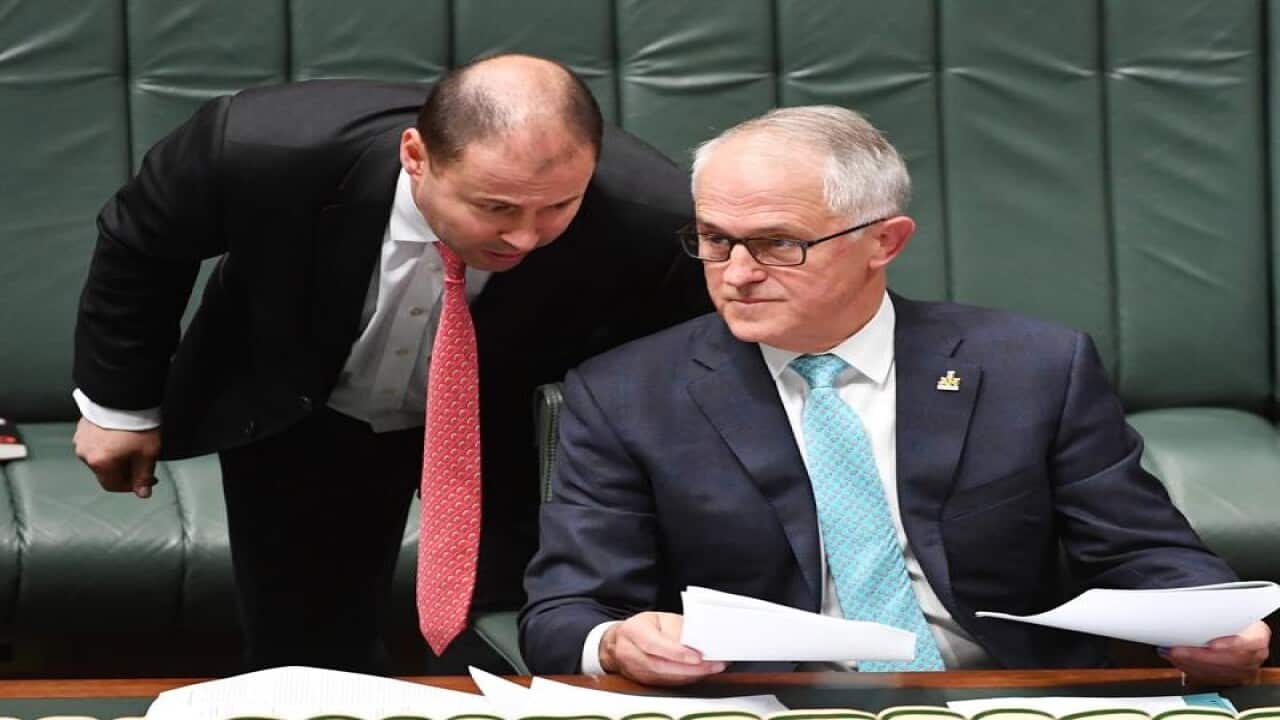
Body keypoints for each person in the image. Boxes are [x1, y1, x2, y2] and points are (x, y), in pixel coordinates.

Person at [519, 106, 1270, 686]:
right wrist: (615, 641)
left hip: (1007, 695)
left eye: (779, 243)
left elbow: (1151, 555)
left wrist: (1215, 627)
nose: (736, 273)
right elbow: (564, 613)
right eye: (716, 240)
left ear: (884, 241)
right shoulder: (626, 394)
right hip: (767, 703)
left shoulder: (1032, 367)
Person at [72, 54, 710, 674]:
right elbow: (142, 245)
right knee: (306, 658)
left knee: (513, 640)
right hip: (308, 408)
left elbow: (685, 366)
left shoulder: (653, 217)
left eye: (557, 208)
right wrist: (119, 406)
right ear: (416, 156)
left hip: (509, 429)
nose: (525, 236)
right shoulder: (260, 148)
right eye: (496, 208)